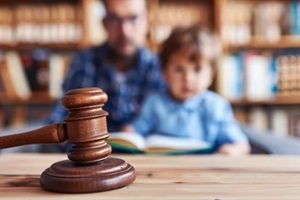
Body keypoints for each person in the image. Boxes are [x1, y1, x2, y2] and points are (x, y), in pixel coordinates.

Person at [122, 25, 250, 156]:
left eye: (197, 69)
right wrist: (128, 134)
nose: (187, 78)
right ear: (164, 73)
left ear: (211, 75)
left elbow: (241, 144)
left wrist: (232, 150)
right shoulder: (154, 102)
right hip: (161, 169)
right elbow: (136, 130)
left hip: (203, 171)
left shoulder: (216, 106)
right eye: (179, 70)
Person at [47, 0, 165, 134]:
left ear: (147, 21)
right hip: (90, 153)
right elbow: (58, 117)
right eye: (115, 19)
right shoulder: (84, 62)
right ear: (104, 23)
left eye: (133, 18)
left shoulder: (161, 67)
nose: (124, 31)